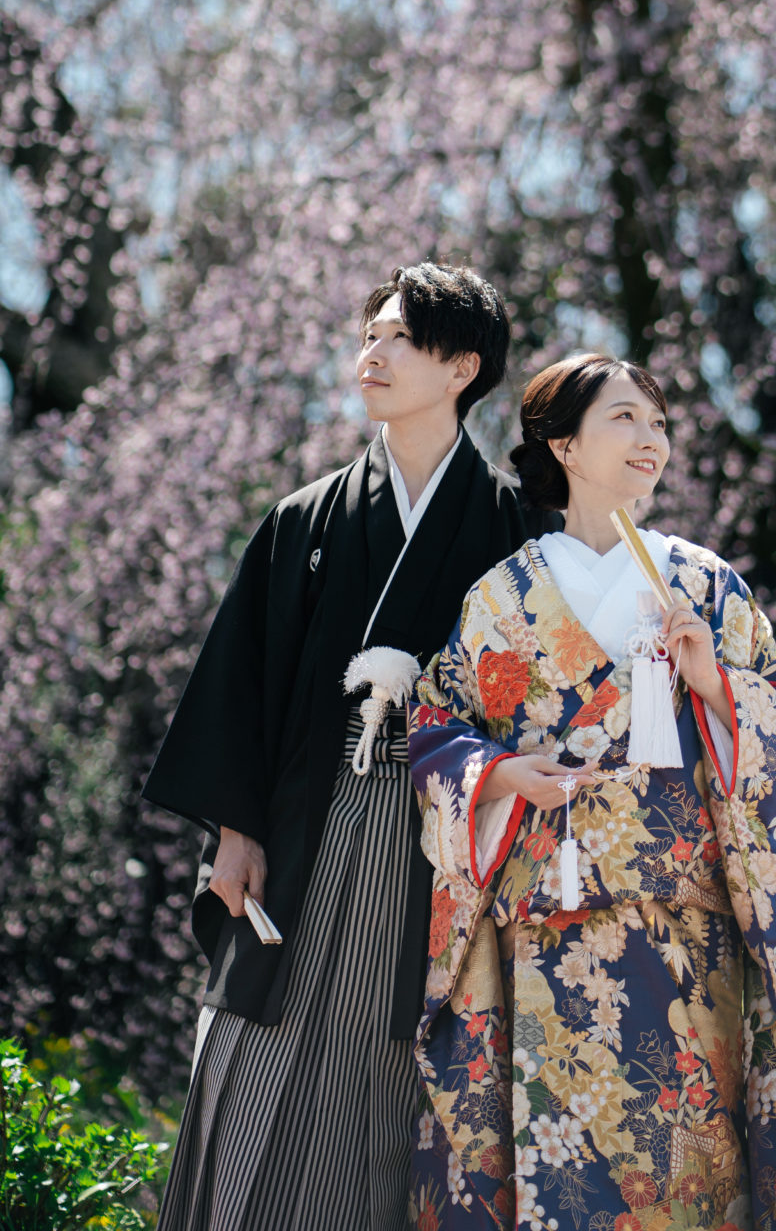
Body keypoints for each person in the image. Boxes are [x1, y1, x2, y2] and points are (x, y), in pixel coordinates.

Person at [143, 263, 553, 1231]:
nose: (371, 353)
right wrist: (233, 830)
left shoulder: (515, 527)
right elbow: (245, 681)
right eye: (369, 334)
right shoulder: (306, 519)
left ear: (461, 367)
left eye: (399, 337)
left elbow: (540, 694)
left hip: (439, 834)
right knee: (254, 1043)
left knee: (390, 1059)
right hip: (304, 818)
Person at [407, 352, 776, 1231]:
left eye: (659, 423)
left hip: (686, 927)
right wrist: (500, 774)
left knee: (687, 1166)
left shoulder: (705, 585)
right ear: (562, 445)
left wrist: (714, 683)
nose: (651, 439)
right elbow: (438, 723)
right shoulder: (500, 597)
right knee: (559, 1174)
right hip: (548, 925)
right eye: (625, 418)